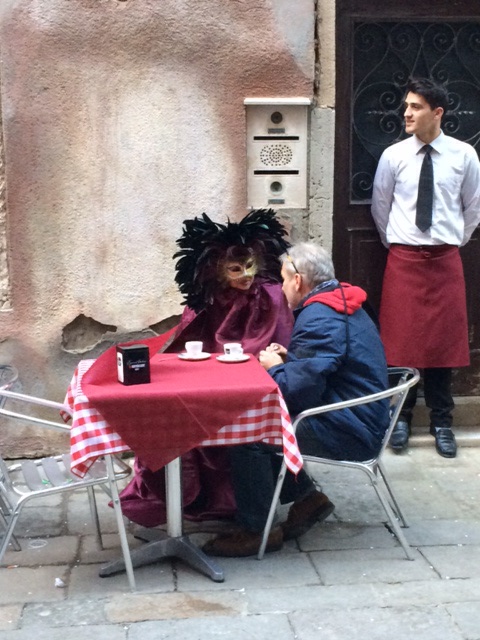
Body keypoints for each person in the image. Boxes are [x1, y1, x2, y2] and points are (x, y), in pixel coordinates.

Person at [203, 242, 390, 557]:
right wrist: (292, 359)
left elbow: (297, 392)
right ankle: (307, 499)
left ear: (298, 281)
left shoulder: (319, 317)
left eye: (283, 279)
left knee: (248, 433)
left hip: (351, 430)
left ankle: (257, 531)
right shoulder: (341, 300)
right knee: (267, 422)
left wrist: (275, 368)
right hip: (361, 417)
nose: (281, 288)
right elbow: (329, 364)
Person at [119, 208, 294, 527]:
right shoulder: (208, 298)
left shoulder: (269, 295)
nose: (245, 275)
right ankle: (192, 494)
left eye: (250, 266)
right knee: (177, 418)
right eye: (235, 269)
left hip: (256, 385)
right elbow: (190, 338)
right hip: (209, 379)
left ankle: (249, 508)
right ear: (217, 270)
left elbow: (277, 340)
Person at [371, 77, 480, 458]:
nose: (406, 113)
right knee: (401, 345)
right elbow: (380, 207)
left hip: (445, 260)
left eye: (415, 107)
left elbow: (473, 208)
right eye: (406, 106)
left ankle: (442, 422)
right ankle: (400, 418)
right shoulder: (393, 156)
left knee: (443, 346)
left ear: (437, 113)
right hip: (403, 261)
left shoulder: (464, 156)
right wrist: (402, 244)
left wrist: (449, 242)